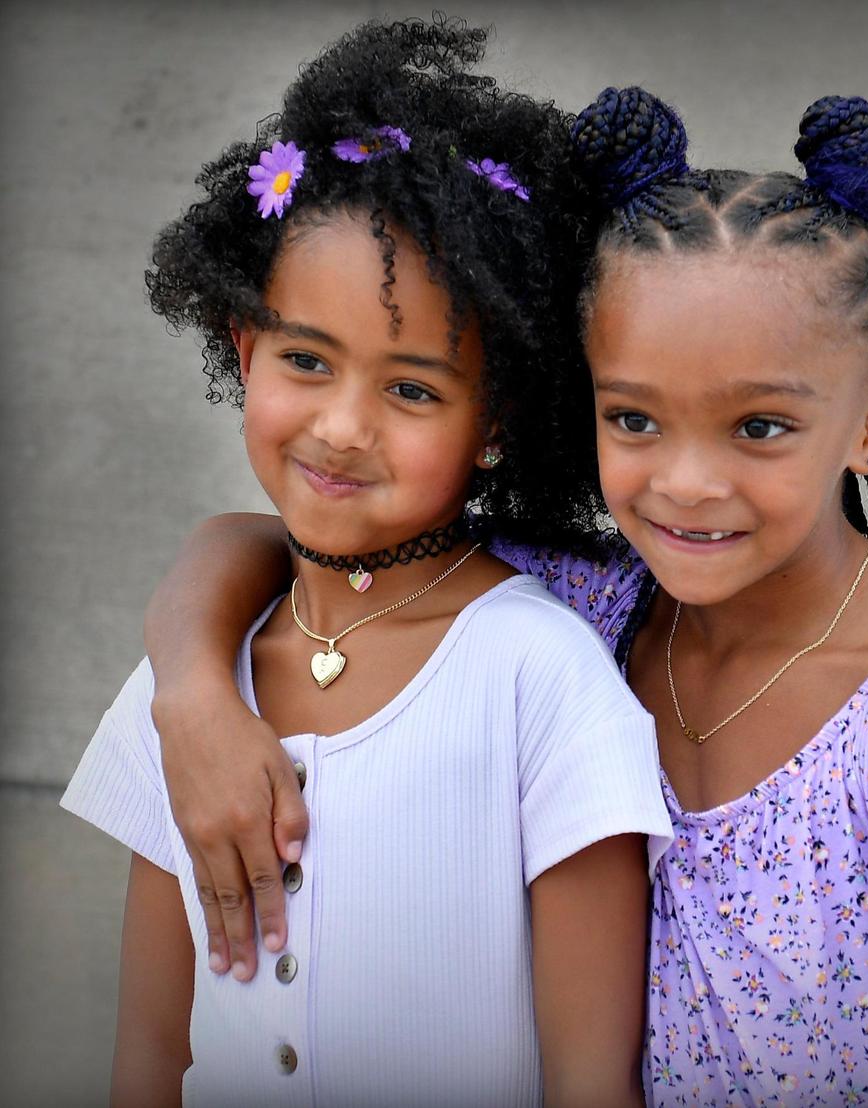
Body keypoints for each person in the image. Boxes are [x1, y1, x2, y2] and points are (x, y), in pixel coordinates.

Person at [133, 87, 868, 1106]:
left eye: (761, 428)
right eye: (635, 419)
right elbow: (284, 545)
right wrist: (194, 693)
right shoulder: (600, 603)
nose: (687, 483)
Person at [60, 22, 674, 1108]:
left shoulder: (546, 680)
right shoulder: (182, 692)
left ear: (496, 424)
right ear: (244, 350)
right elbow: (150, 1057)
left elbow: (594, 1084)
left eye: (413, 389)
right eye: (305, 359)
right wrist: (193, 692)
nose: (343, 427)